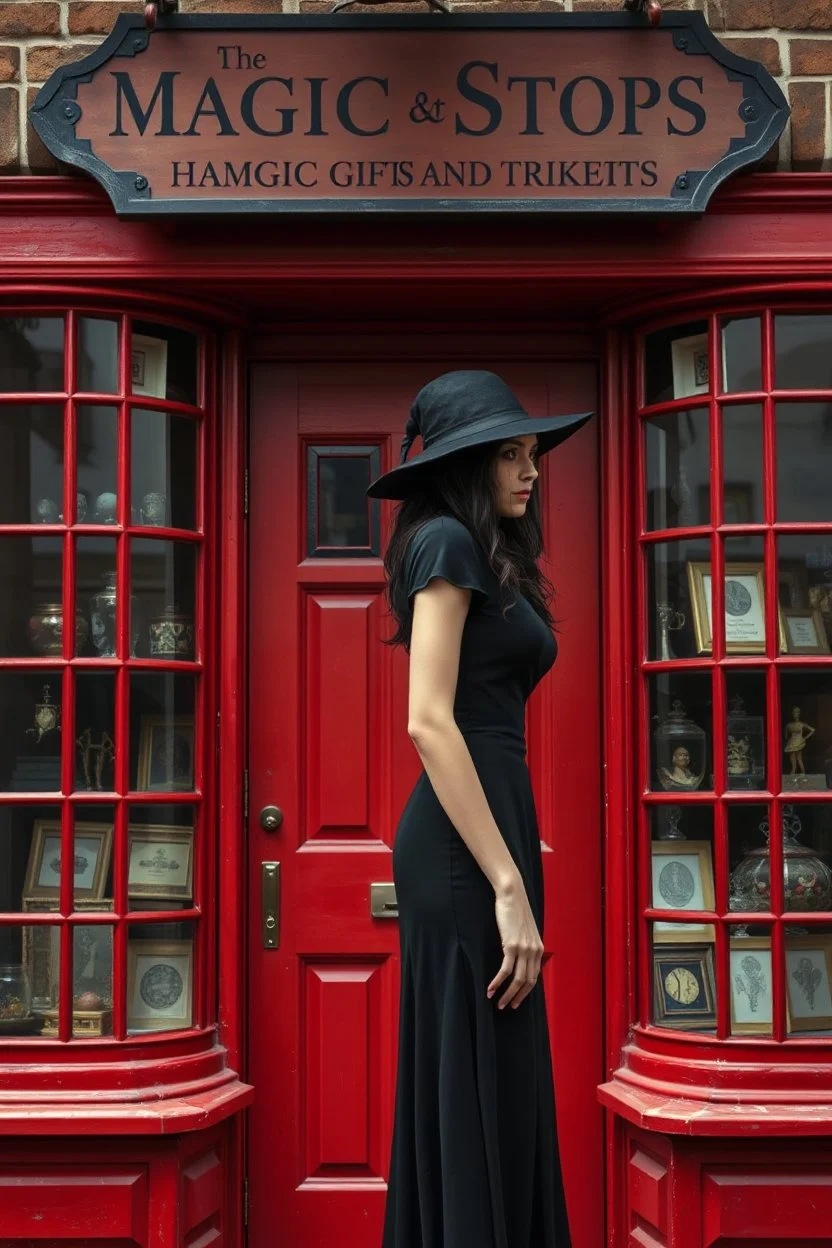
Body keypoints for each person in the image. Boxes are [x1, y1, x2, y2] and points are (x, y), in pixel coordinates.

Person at [366, 371, 592, 1248]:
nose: (531, 471)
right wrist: (505, 881)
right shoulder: (445, 543)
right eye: (511, 455)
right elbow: (429, 720)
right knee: (476, 1078)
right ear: (467, 463)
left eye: (532, 453)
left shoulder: (482, 551)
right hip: (466, 860)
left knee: (494, 1077)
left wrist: (510, 855)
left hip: (488, 832)